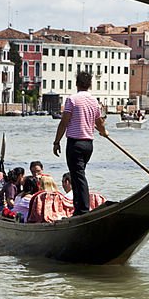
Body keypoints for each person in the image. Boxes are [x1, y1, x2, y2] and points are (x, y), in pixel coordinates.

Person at [53, 71, 109, 216]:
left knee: (78, 177)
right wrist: (104, 132)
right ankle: (78, 209)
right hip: (88, 145)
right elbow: (99, 122)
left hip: (75, 144)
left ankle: (83, 210)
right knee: (77, 175)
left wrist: (57, 141)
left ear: (76, 84)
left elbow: (64, 121)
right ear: (90, 84)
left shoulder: (72, 99)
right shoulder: (94, 101)